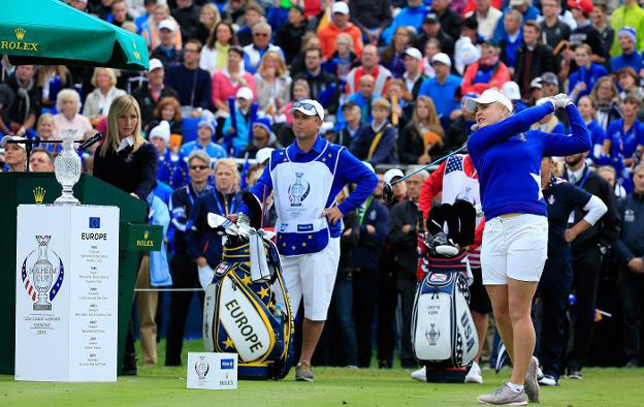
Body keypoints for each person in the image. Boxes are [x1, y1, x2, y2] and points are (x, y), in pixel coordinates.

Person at [238, 98, 378, 381]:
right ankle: (280, 358)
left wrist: (343, 208)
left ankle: (304, 361)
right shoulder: (278, 157)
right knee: (279, 305)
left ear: (319, 123)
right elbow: (259, 189)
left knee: (316, 304)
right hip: (286, 239)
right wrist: (241, 213)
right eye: (295, 116)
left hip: (321, 241)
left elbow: (369, 179)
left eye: (305, 117)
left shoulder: (335, 154)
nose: (298, 121)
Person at [466, 89, 591, 404]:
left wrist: (571, 107)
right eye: (475, 108)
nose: (477, 112)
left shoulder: (536, 139)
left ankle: (516, 386)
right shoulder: (479, 141)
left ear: (505, 110)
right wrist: (550, 103)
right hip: (494, 227)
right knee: (501, 311)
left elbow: (581, 142)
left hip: (529, 224)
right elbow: (519, 122)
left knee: (520, 310)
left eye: (484, 106)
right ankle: (528, 364)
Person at [92, 95, 157, 375]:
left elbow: (148, 179)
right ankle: (114, 357)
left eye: (133, 117)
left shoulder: (146, 150)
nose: (128, 123)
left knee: (124, 295)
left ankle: (128, 360)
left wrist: (136, 196)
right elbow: (97, 185)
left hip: (132, 227)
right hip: (105, 227)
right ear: (113, 119)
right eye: (123, 117)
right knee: (107, 294)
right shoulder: (102, 151)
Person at [415, 151, 491, 384]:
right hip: (444, 247)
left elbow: (493, 207)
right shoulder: (453, 162)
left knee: (478, 307)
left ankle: (474, 364)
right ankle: (434, 362)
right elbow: (428, 188)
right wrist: (431, 225)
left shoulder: (494, 166)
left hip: (478, 249)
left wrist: (472, 239)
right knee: (441, 301)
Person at [537, 157, 607, 386]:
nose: (536, 164)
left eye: (541, 160)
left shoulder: (563, 188)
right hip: (529, 258)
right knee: (522, 313)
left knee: (554, 314)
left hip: (557, 259)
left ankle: (551, 370)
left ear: (551, 164)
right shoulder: (524, 186)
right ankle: (528, 365)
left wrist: (574, 231)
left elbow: (599, 206)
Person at [562, 150, 621, 379]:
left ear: (585, 152)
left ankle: (576, 363)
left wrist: (600, 249)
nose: (569, 154)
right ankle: (554, 361)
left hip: (588, 252)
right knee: (554, 306)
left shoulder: (598, 182)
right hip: (560, 251)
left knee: (586, 308)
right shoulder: (555, 177)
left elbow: (613, 221)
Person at [165, 150, 212, 366]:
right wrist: (201, 231)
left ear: (209, 170)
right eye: (194, 167)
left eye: (202, 167)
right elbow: (180, 223)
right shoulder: (178, 194)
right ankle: (172, 361)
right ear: (189, 170)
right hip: (184, 257)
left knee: (211, 311)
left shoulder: (213, 195)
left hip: (208, 258)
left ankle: (215, 360)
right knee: (178, 311)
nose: (198, 171)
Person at [389, 169, 429, 369]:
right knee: (408, 315)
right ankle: (407, 359)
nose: (412, 186)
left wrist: (409, 229)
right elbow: (395, 238)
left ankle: (428, 357)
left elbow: (433, 236)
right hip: (407, 271)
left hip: (431, 273)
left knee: (428, 315)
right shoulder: (399, 209)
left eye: (416, 183)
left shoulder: (433, 207)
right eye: (409, 183)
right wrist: (417, 231)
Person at [186, 158, 242, 296]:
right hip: (209, 263)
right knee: (211, 308)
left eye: (227, 174)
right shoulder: (204, 200)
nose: (223, 177)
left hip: (237, 264)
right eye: (220, 174)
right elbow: (190, 231)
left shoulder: (242, 201)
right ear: (214, 176)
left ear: (234, 177)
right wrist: (200, 259)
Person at [350, 172, 389, 368]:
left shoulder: (379, 209)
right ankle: (348, 360)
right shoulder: (350, 207)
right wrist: (367, 230)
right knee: (347, 319)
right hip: (349, 270)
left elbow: (381, 236)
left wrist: (361, 231)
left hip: (369, 270)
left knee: (365, 319)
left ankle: (363, 362)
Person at [614, 162, 644, 368]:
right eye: (641, 176)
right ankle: (632, 357)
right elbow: (613, 234)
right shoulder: (623, 203)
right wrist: (629, 259)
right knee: (629, 314)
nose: (643, 180)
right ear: (633, 177)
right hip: (627, 268)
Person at [165, 39, 213, 116]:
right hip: (175, 110)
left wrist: (199, 110)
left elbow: (206, 98)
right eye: (186, 51)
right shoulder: (173, 71)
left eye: (192, 51)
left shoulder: (205, 75)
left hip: (196, 111)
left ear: (199, 54)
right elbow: (168, 92)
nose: (188, 54)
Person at [418, 53, 463, 131]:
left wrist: (460, 111)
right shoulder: (427, 84)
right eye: (435, 65)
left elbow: (466, 101)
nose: (437, 68)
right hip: (431, 123)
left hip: (453, 123)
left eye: (441, 65)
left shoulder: (458, 82)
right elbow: (421, 102)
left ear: (448, 67)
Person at [132, 59, 180, 130]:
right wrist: (144, 126)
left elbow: (177, 116)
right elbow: (133, 115)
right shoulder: (138, 93)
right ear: (147, 74)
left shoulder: (172, 93)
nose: (158, 74)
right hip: (145, 132)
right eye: (153, 72)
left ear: (163, 72)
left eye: (159, 71)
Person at [514, 21, 556, 99]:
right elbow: (518, 73)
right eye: (525, 32)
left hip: (539, 94)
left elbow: (550, 74)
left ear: (537, 34)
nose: (527, 35)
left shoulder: (546, 51)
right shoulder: (520, 51)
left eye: (530, 32)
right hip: (522, 94)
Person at [350, 98, 398, 165]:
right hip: (368, 164)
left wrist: (370, 163)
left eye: (381, 111)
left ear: (387, 113)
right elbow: (355, 146)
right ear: (372, 112)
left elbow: (383, 151)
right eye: (375, 110)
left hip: (385, 165)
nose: (378, 113)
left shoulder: (390, 130)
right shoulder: (366, 128)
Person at [397, 96, 444, 165]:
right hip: (413, 167)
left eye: (426, 107)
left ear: (431, 109)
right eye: (419, 107)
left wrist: (431, 159)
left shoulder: (438, 130)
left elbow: (444, 153)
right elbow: (402, 153)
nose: (422, 110)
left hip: (434, 167)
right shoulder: (409, 129)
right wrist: (417, 159)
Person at [210, 46, 256, 116]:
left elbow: (252, 97)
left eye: (235, 56)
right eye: (230, 56)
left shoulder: (248, 77)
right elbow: (215, 99)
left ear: (241, 59)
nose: (232, 58)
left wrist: (242, 81)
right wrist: (230, 111)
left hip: (243, 112)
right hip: (224, 112)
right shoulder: (218, 75)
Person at [149, 120, 189, 189]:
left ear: (166, 142)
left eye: (161, 139)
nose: (157, 142)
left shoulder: (174, 158)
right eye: (155, 138)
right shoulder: (145, 155)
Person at [253, 51, 292, 117]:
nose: (271, 64)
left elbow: (287, 103)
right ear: (264, 63)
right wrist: (269, 81)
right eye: (268, 61)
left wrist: (281, 110)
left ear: (280, 63)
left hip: (280, 114)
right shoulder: (257, 78)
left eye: (274, 61)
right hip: (261, 113)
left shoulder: (287, 80)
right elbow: (260, 102)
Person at [577, 95, 609, 165]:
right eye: (579, 105)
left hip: (588, 166)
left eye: (585, 105)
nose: (581, 108)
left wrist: (582, 165)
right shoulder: (572, 127)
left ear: (593, 109)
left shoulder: (598, 129)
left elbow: (596, 155)